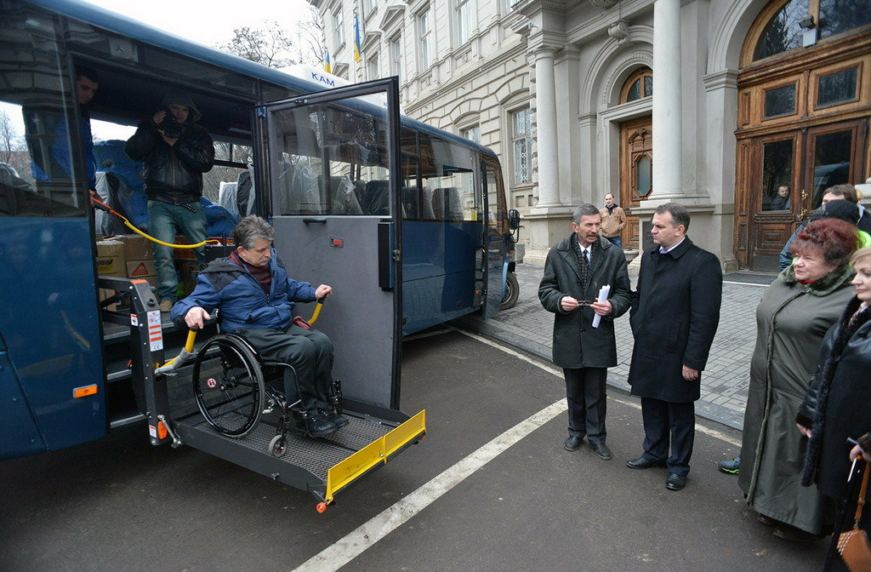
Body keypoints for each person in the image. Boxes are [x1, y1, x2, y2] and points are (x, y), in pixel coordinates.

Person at [738, 219, 860, 542]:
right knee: (766, 449)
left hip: (802, 393)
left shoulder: (847, 298)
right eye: (796, 255)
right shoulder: (786, 281)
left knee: (794, 459)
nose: (798, 263)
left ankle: (800, 523)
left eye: (808, 258)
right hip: (766, 386)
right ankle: (765, 503)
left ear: (834, 264)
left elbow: (847, 357)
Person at [171, 215, 346, 438]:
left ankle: (322, 407)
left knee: (322, 343)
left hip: (279, 325)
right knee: (301, 348)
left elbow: (287, 287)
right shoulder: (220, 276)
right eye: (261, 250)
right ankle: (305, 415)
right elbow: (184, 305)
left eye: (269, 248)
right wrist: (191, 310)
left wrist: (312, 292)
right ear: (242, 251)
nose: (268, 254)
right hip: (248, 333)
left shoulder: (272, 262)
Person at [625, 202, 722, 491]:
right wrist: (638, 323)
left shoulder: (702, 262)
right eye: (653, 225)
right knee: (651, 404)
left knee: (679, 414)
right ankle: (654, 453)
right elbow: (640, 296)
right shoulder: (650, 256)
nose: (652, 230)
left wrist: (694, 360)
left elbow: (705, 319)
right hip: (648, 347)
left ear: (679, 229)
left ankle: (678, 466)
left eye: (659, 226)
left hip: (678, 353)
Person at [797, 246, 871, 571]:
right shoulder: (857, 310)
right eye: (857, 273)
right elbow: (828, 367)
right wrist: (810, 411)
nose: (855, 280)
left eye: (866, 274)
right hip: (844, 443)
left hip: (862, 450)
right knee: (847, 520)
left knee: (861, 528)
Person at [539, 204, 632, 460]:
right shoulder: (557, 253)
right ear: (575, 226)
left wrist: (612, 306)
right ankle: (575, 432)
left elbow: (625, 293)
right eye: (588, 225)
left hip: (598, 334)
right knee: (574, 390)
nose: (594, 229)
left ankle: (597, 437)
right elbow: (546, 290)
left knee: (596, 392)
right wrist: (559, 301)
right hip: (569, 333)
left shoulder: (613, 254)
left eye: (597, 224)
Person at [125, 90, 215, 313]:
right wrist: (150, 128)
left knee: (203, 249)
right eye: (175, 108)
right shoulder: (151, 130)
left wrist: (176, 143)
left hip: (189, 200)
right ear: (165, 110)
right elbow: (133, 152)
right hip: (159, 200)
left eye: (184, 109)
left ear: (191, 113)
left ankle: (212, 292)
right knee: (162, 251)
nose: (180, 113)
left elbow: (205, 163)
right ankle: (167, 296)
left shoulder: (198, 134)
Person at [28, 65, 99, 195]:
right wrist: (71, 188)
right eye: (84, 88)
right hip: (59, 187)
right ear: (69, 82)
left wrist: (90, 188)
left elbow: (84, 155)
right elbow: (42, 152)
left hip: (79, 188)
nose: (90, 95)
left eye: (93, 91)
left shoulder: (80, 113)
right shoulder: (51, 108)